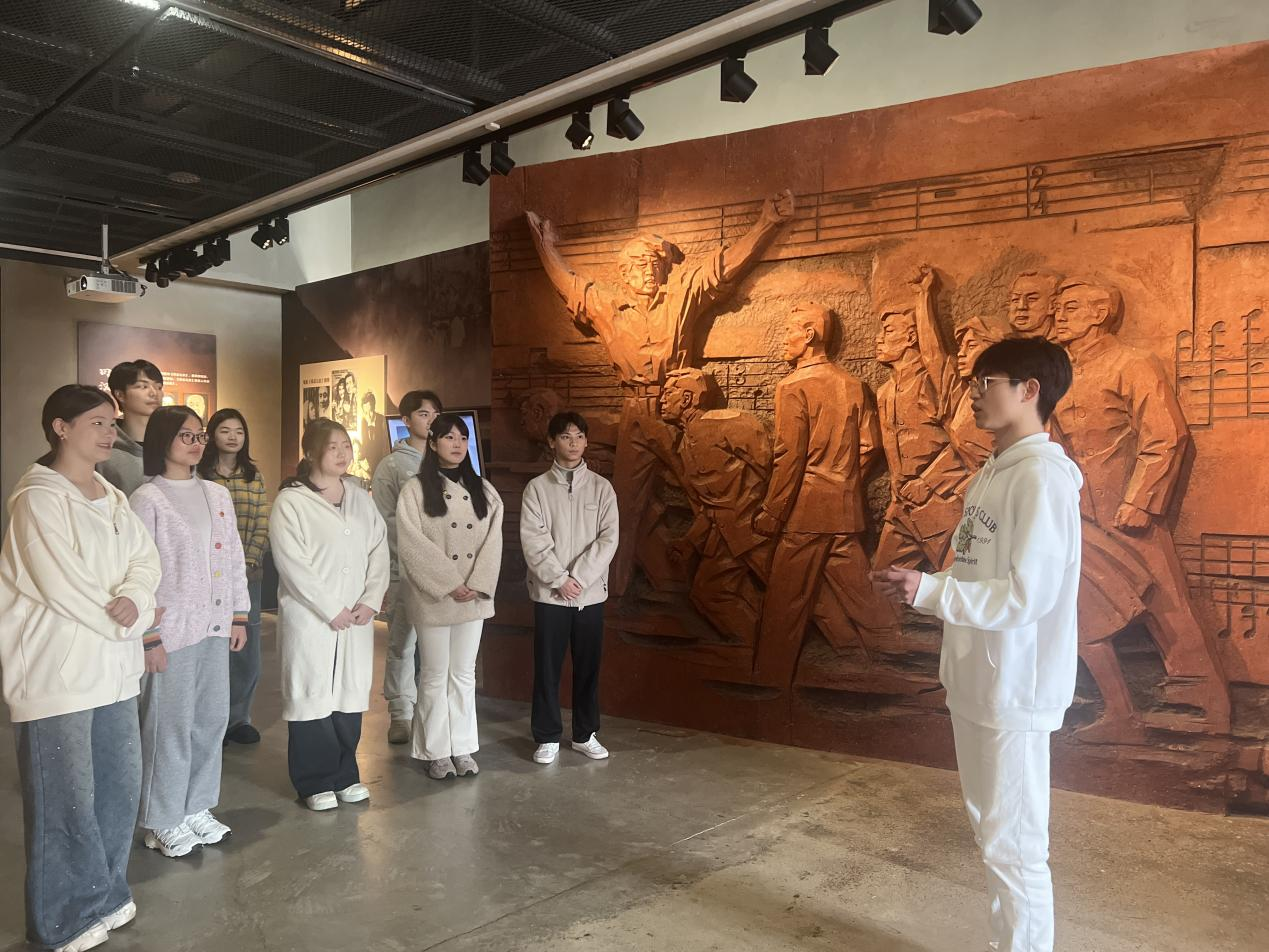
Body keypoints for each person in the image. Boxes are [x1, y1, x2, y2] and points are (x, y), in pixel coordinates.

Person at [872, 338, 1081, 952]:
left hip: (1014, 688)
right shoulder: (994, 472)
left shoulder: (1042, 478)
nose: (972, 395)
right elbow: (974, 570)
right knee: (994, 835)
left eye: (985, 382)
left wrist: (930, 592)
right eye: (971, 383)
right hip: (976, 681)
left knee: (1014, 845)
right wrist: (926, 585)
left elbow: (1027, 596)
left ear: (1029, 390)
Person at [525, 189, 794, 596]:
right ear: (624, 273)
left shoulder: (682, 295)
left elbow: (723, 269)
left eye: (654, 263)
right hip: (635, 412)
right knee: (623, 508)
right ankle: (612, 593)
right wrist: (545, 247)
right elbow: (570, 286)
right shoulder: (607, 308)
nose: (648, 271)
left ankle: (760, 585)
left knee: (711, 498)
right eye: (638, 265)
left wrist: (766, 223)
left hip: (677, 411)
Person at [0, 385, 161, 952]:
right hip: (59, 675)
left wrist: (137, 599)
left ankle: (106, 893)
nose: (109, 432)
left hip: (114, 671)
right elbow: (61, 584)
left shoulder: (112, 495)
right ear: (60, 427)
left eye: (111, 423)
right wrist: (129, 621)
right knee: (64, 798)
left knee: (117, 788)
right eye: (96, 422)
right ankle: (63, 916)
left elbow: (145, 560)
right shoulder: (37, 499)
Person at [752, 304, 897, 685]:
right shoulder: (853, 385)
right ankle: (896, 660)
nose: (784, 339)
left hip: (805, 514)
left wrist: (773, 512)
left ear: (810, 335)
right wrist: (842, 482)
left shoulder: (792, 386)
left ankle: (768, 680)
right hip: (844, 510)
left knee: (785, 599)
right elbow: (871, 445)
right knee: (863, 596)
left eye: (789, 330)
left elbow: (789, 458)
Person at [130, 407, 249, 859]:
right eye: (186, 436)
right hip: (171, 631)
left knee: (210, 720)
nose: (197, 444)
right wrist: (149, 634)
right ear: (162, 440)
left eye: (200, 436)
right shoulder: (147, 499)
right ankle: (161, 819)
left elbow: (233, 556)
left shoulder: (217, 493)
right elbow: (137, 572)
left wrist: (239, 614)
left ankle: (196, 805)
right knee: (168, 726)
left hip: (214, 626)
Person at [270, 418, 389, 811]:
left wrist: (371, 599)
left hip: (356, 617)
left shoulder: (360, 498)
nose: (342, 453)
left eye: (346, 446)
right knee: (312, 696)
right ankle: (314, 781)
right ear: (310, 452)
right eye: (332, 446)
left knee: (348, 697)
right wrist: (329, 607)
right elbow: (293, 563)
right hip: (312, 618)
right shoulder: (291, 502)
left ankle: (345, 774)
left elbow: (379, 550)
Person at [397, 413, 504, 780]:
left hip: (473, 596)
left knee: (463, 674)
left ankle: (463, 747)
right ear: (432, 443)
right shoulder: (415, 490)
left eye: (462, 437)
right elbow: (411, 543)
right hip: (435, 596)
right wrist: (448, 582)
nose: (457, 444)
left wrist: (477, 582)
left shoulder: (485, 490)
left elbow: (494, 541)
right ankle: (436, 751)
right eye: (449, 437)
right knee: (433, 674)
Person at [520, 412, 619, 765]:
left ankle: (584, 734)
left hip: (590, 596)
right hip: (550, 594)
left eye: (579, 436)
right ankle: (547, 736)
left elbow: (608, 539)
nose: (573, 443)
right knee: (547, 668)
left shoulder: (602, 488)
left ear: (586, 441)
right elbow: (533, 540)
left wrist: (579, 578)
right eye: (565, 436)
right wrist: (560, 580)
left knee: (588, 666)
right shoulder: (537, 489)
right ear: (552, 442)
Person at [371, 389, 443, 744]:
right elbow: (384, 519)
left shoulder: (446, 461)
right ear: (406, 420)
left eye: (435, 415)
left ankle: (433, 711)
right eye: (423, 414)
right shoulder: (392, 466)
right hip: (404, 567)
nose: (430, 421)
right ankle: (400, 712)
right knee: (401, 642)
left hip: (442, 572)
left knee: (436, 645)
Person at [198, 409, 271, 745]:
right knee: (212, 645)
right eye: (225, 430)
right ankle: (210, 719)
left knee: (245, 648)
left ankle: (238, 718)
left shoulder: (253, 476)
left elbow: (261, 524)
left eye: (239, 431)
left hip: (247, 575)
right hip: (209, 574)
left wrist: (246, 563)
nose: (232, 437)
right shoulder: (200, 475)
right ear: (212, 434)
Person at [99, 358, 163, 495]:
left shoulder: (172, 443)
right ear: (120, 395)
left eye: (159, 387)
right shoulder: (103, 446)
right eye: (143, 387)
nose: (154, 393)